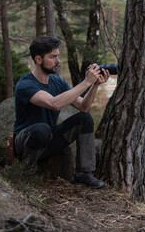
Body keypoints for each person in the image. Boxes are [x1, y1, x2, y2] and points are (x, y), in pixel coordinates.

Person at [13, 36, 109, 189]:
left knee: (84, 119)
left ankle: (83, 174)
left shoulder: (58, 82)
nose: (58, 61)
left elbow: (83, 106)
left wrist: (94, 85)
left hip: (48, 140)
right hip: (24, 143)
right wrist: (86, 82)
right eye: (52, 57)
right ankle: (26, 173)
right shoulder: (25, 84)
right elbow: (54, 104)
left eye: (58, 56)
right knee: (41, 129)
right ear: (38, 59)